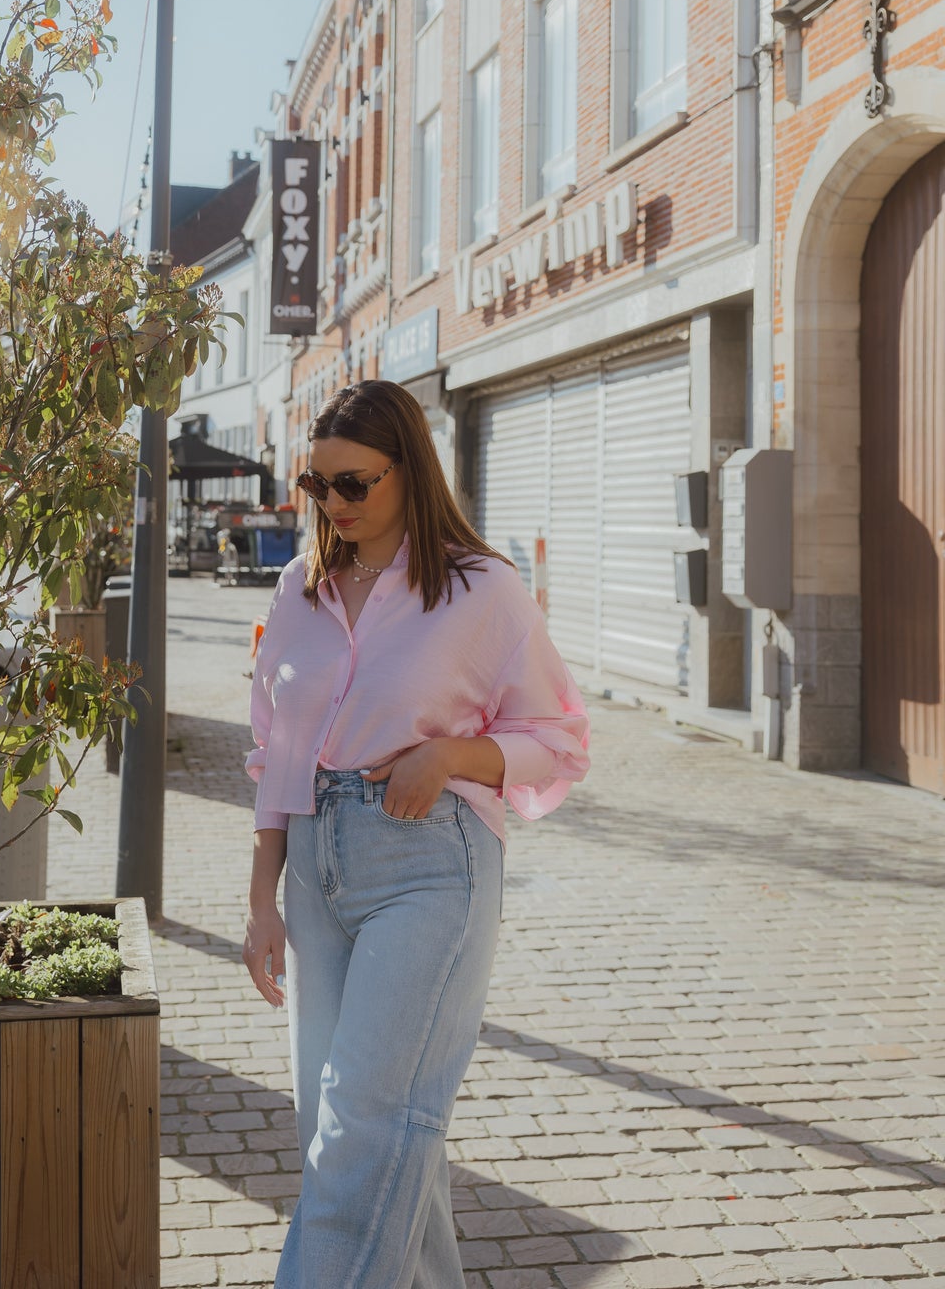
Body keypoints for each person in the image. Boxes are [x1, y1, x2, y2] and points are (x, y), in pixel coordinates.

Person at [242, 379, 590, 1289]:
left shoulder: (483, 591)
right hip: (315, 870)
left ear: (409, 471)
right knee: (366, 1130)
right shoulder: (299, 585)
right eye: (317, 486)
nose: (333, 505)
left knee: (364, 1124)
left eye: (353, 483)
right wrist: (259, 902)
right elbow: (271, 751)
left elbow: (560, 743)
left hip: (427, 868)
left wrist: (453, 758)